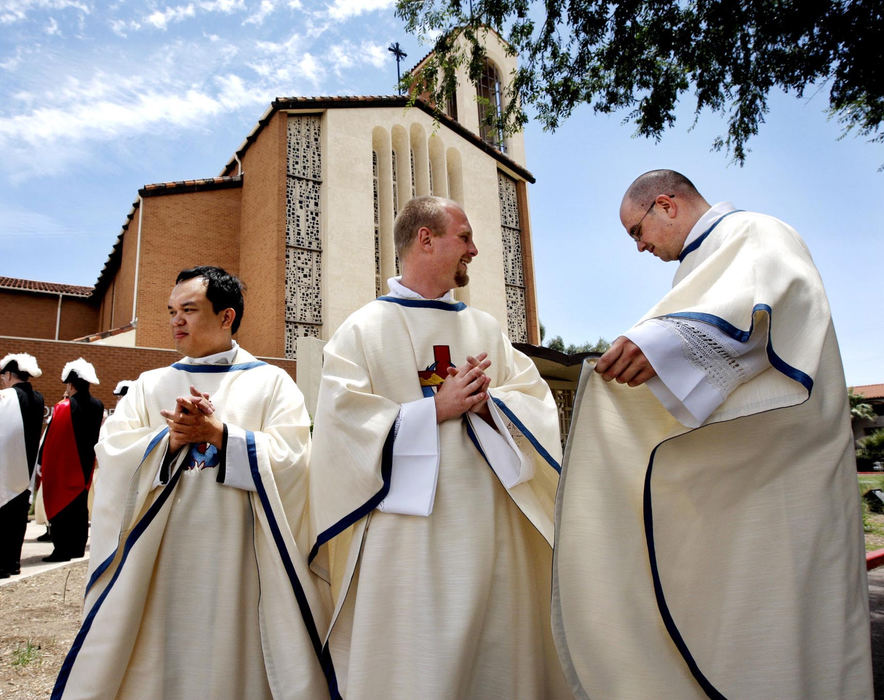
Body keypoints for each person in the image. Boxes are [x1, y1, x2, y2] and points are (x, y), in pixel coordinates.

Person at [551, 170, 873, 699]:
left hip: (788, 475)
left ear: (666, 204)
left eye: (637, 230)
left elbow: (768, 307)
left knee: (792, 619)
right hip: (744, 480)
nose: (639, 247)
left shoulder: (756, 232)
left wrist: (657, 341)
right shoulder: (699, 266)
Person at [309, 196, 571, 698]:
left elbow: (533, 402)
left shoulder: (485, 329)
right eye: (465, 237)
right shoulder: (362, 330)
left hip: (490, 530)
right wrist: (436, 408)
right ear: (425, 239)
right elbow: (342, 431)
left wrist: (491, 405)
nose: (474, 249)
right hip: (407, 539)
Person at [52, 266, 333, 699]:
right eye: (171, 311)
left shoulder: (271, 383)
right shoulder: (151, 386)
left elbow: (295, 460)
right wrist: (170, 440)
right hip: (162, 560)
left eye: (189, 309)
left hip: (239, 560)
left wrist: (221, 435)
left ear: (226, 317)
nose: (175, 321)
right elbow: (111, 455)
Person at [0, 353, 45, 579]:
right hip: (26, 469)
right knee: (17, 519)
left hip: (4, 468)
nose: (2, 379)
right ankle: (13, 562)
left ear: (11, 374)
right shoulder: (38, 398)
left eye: (3, 375)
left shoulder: (5, 396)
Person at [37, 358, 103, 562]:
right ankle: (77, 547)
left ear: (71, 385)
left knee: (62, 506)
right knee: (80, 507)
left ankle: (61, 549)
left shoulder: (64, 407)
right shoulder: (98, 405)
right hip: (85, 464)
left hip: (66, 463)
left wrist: (43, 461)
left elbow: (53, 439)